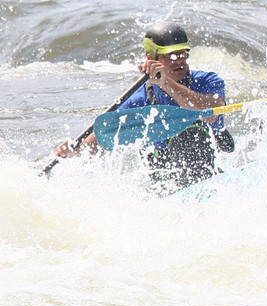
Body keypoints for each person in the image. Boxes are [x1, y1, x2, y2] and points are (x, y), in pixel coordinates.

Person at [54, 21, 233, 189]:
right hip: (167, 179)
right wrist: (74, 150)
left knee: (193, 135)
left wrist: (167, 84)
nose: (179, 61)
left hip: (210, 171)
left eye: (182, 54)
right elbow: (102, 139)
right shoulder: (140, 99)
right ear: (151, 59)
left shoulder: (208, 81)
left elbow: (211, 113)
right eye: (171, 55)